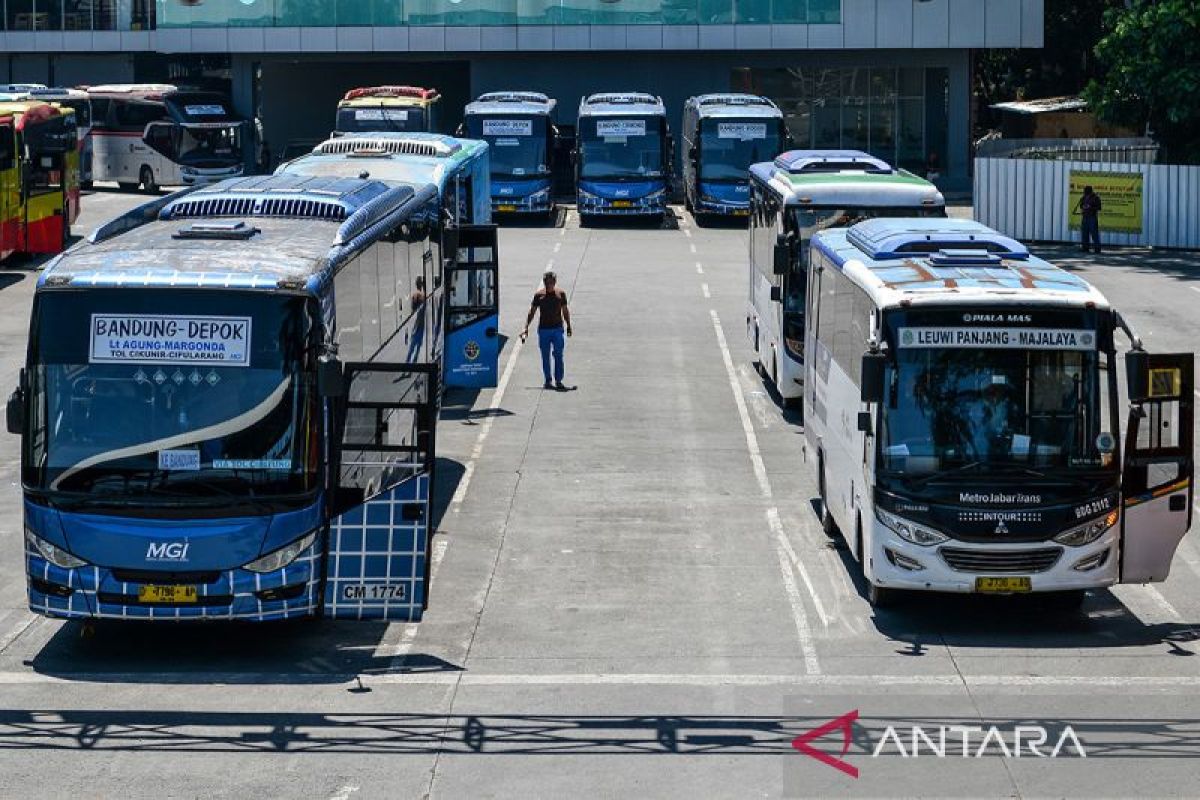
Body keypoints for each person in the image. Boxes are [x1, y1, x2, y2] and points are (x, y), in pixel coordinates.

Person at [522, 270, 572, 390]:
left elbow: (565, 311)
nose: (549, 284)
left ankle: (558, 380)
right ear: (544, 282)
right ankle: (548, 380)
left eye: (551, 282)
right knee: (545, 356)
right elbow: (532, 312)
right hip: (544, 330)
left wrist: (569, 325)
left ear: (555, 282)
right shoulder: (539, 295)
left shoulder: (561, 294)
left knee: (558, 355)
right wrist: (526, 327)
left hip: (557, 329)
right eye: (546, 282)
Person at [1075, 185, 1102, 254]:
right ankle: (1085, 248)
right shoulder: (1083, 197)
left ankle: (1097, 249)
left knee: (1094, 234)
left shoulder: (1096, 197)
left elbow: (1099, 207)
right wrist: (1083, 206)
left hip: (1092, 217)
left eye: (1086, 190)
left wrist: (1090, 207)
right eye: (1084, 190)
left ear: (1090, 190)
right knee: (1084, 233)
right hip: (1085, 217)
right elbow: (1081, 205)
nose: (1084, 191)